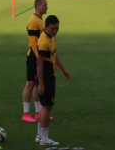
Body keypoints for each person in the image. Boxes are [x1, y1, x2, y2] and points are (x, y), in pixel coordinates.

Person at [36, 15, 71, 146]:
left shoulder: (51, 37)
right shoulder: (44, 41)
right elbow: (39, 64)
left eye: (57, 28)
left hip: (49, 74)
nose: (55, 31)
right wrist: (41, 83)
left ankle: (40, 136)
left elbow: (54, 55)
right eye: (52, 29)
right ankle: (44, 139)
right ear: (46, 27)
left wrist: (63, 69)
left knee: (44, 107)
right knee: (47, 107)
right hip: (45, 75)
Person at [22, 0, 48, 123]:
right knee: (30, 84)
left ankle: (38, 112)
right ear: (38, 6)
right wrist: (39, 58)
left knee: (38, 84)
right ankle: (26, 113)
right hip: (34, 56)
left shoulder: (40, 20)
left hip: (39, 56)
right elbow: (32, 42)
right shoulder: (33, 21)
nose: (46, 7)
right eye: (44, 5)